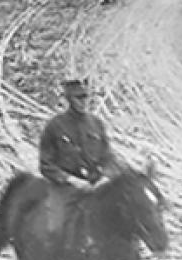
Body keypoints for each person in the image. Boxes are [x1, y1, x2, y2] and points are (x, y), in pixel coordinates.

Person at [39, 79, 122, 234]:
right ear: (69, 99)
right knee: (56, 227)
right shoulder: (55, 126)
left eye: (86, 97)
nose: (84, 102)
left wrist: (105, 177)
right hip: (66, 189)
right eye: (79, 98)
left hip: (96, 185)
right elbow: (46, 165)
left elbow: (109, 157)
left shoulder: (96, 124)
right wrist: (71, 180)